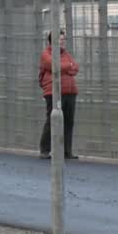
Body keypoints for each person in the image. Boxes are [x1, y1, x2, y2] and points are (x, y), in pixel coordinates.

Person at [38, 30, 79, 160]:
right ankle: (44, 149)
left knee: (68, 122)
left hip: (70, 92)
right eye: (60, 39)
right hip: (53, 92)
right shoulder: (46, 54)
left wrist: (65, 67)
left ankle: (67, 151)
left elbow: (76, 67)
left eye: (63, 39)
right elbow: (54, 66)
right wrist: (67, 66)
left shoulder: (66, 54)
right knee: (52, 120)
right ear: (52, 41)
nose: (63, 41)